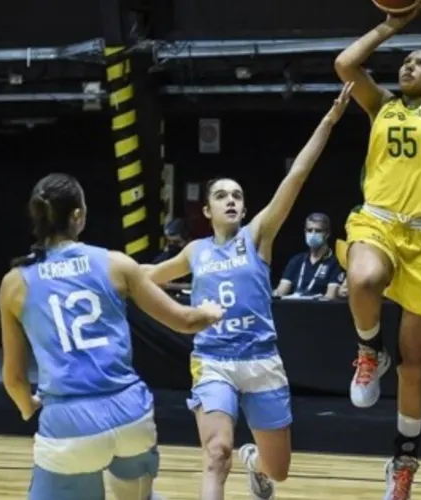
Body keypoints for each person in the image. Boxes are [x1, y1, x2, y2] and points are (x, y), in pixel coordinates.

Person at [141, 83, 353, 500]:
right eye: (221, 196)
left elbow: (296, 177)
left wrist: (329, 121)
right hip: (213, 360)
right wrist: (107, 273)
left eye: (237, 195)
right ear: (207, 210)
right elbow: (148, 276)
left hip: (261, 360)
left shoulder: (257, 236)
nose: (231, 201)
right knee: (216, 453)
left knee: (280, 470)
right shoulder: (195, 251)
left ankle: (255, 463)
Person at [0, 173, 225, 500]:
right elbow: (185, 321)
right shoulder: (116, 264)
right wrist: (211, 311)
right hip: (131, 416)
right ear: (78, 215)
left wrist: (27, 405)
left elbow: (14, 378)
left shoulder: (14, 283)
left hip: (69, 426)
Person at [333, 0, 421, 497]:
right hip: (378, 222)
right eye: (407, 61)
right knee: (363, 278)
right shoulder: (381, 105)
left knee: (415, 364)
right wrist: (390, 25)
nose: (411, 66)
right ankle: (369, 349)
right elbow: (346, 64)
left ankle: (404, 460)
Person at [273, 212, 346, 300]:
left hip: (319, 307)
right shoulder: (297, 260)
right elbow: (281, 292)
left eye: (318, 231)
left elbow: (330, 296)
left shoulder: (335, 262)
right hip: (293, 306)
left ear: (327, 233)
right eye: (309, 230)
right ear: (305, 232)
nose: (313, 234)